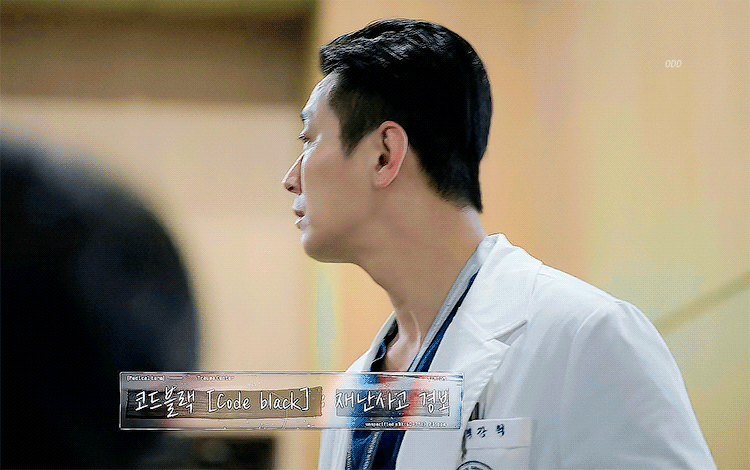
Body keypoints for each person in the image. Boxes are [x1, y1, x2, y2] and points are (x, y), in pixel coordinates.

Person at [282, 19, 715, 470]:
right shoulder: (358, 388)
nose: (290, 179)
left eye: (309, 140)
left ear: (384, 155)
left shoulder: (587, 338)